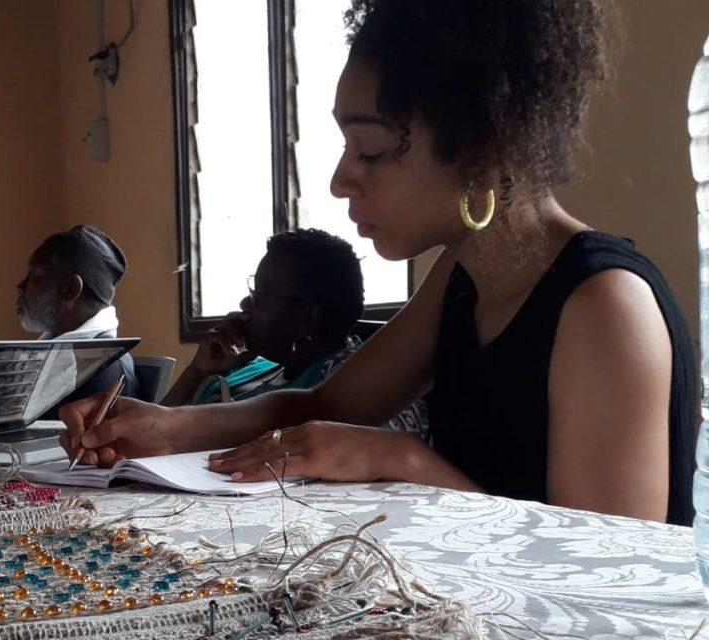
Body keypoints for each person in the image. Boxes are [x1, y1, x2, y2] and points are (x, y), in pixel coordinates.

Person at [58, 0, 697, 526]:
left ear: (481, 146)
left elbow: (609, 575)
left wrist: (405, 461)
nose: (340, 181)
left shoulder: (604, 305)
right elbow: (326, 405)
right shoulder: (461, 279)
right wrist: (168, 427)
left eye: (369, 150)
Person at [162, 229, 364, 406]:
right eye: (253, 292)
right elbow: (149, 432)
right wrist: (198, 371)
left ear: (309, 317)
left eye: (261, 297)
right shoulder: (250, 367)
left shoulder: (343, 388)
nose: (244, 304)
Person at [15, 224, 138, 415]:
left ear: (71, 288)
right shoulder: (58, 354)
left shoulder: (104, 370)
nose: (20, 286)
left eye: (36, 277)